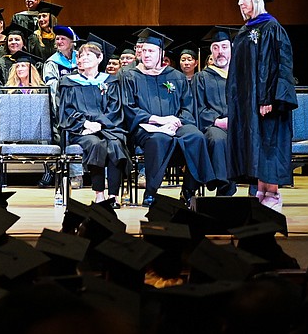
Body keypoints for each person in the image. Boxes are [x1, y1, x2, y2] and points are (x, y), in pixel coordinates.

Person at [123, 28, 217, 207]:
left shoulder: (176, 77)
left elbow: (187, 107)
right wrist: (159, 120)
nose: (146, 55)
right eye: (144, 51)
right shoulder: (131, 77)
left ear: (161, 54)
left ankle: (188, 191)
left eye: (151, 51)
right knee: (158, 139)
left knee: (196, 137)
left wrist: (175, 123)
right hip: (146, 127)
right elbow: (129, 108)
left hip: (176, 124)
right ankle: (151, 192)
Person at [227, 0, 296, 212]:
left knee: (268, 144)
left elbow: (278, 66)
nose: (239, 3)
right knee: (255, 144)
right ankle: (261, 191)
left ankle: (273, 194)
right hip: (249, 103)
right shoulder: (246, 31)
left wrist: (268, 98)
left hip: (268, 103)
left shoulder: (271, 28)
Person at [57, 38, 128, 207]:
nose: (84, 58)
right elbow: (65, 110)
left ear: (100, 58)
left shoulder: (110, 82)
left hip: (107, 128)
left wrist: (100, 125)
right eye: (81, 55)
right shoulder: (69, 82)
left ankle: (113, 196)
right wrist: (85, 124)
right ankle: (99, 194)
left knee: (115, 145)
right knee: (96, 144)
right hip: (80, 131)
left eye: (89, 54)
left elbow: (114, 109)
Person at [194, 26, 238, 197]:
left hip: (240, 125)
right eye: (216, 48)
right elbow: (198, 107)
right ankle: (224, 189)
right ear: (211, 51)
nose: (220, 52)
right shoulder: (202, 77)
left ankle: (259, 190)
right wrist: (217, 121)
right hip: (214, 125)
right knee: (218, 139)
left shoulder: (241, 76)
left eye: (224, 47)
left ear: (232, 49)